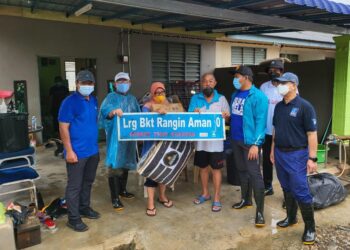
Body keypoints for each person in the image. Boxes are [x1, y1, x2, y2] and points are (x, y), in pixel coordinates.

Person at [271, 72, 317, 245]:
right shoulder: (279, 107)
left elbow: (312, 134)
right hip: (280, 153)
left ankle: (310, 228)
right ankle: (291, 218)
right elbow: (276, 129)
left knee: (300, 189)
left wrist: (312, 158)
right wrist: (272, 151)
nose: (279, 86)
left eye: (283, 83)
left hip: (297, 154)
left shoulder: (305, 106)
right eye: (279, 83)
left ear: (293, 85)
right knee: (286, 187)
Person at [58, 70, 100, 232]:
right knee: (74, 186)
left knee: (88, 182)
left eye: (89, 83)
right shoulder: (69, 102)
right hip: (76, 152)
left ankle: (84, 208)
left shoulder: (93, 100)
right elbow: (63, 127)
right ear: (77, 84)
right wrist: (68, 150)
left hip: (92, 150)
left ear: (93, 85)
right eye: (83, 83)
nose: (86, 86)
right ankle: (73, 218)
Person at [230, 66, 268, 227]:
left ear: (246, 77)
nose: (235, 79)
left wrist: (255, 144)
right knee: (241, 170)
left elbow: (261, 123)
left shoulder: (259, 97)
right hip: (236, 139)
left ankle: (260, 212)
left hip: (250, 142)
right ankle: (246, 200)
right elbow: (237, 116)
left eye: (237, 76)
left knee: (254, 174)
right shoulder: (235, 94)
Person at [189, 73, 230, 212]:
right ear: (201, 84)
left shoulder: (222, 99)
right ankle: (205, 193)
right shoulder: (195, 98)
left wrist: (226, 116)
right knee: (203, 168)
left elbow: (228, 118)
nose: (207, 84)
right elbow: (189, 118)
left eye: (210, 81)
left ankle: (217, 198)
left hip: (216, 143)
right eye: (205, 81)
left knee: (216, 170)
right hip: (200, 143)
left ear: (215, 83)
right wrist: (193, 113)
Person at [99, 72, 140, 211]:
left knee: (125, 165)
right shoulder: (110, 97)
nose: (123, 84)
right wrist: (113, 112)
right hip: (116, 140)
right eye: (120, 81)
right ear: (115, 84)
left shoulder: (133, 99)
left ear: (130, 83)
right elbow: (105, 112)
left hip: (128, 140)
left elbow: (140, 117)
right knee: (115, 167)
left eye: (125, 81)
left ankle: (122, 191)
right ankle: (115, 197)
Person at [142, 82, 174, 216]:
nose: (160, 95)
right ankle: (150, 203)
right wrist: (155, 113)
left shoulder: (170, 105)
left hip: (166, 145)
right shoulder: (146, 106)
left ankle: (162, 197)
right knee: (152, 175)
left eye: (163, 92)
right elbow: (143, 123)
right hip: (151, 146)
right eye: (157, 93)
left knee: (163, 172)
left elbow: (179, 118)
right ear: (152, 93)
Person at [260, 60, 284, 196]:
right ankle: (268, 186)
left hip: (281, 132)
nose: (273, 72)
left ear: (281, 71)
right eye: (270, 70)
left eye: (276, 70)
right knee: (267, 161)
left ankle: (287, 193)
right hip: (267, 130)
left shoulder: (286, 87)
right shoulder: (264, 87)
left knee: (282, 162)